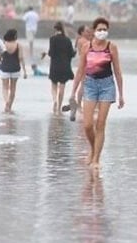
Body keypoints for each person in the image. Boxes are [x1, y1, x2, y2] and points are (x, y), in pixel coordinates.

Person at [72, 18, 125, 169]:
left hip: (107, 86)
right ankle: (93, 148)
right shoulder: (86, 47)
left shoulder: (112, 47)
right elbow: (80, 70)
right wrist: (73, 91)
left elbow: (118, 72)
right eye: (99, 29)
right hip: (90, 85)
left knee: (101, 124)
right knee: (88, 125)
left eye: (105, 29)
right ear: (94, 31)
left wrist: (121, 94)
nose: (102, 32)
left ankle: (96, 159)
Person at [45, 22, 76, 114]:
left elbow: (51, 53)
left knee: (54, 85)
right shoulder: (67, 40)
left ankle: (54, 100)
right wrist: (75, 51)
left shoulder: (52, 39)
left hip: (55, 65)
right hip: (65, 66)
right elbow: (71, 54)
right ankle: (59, 106)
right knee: (62, 86)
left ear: (55, 29)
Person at [0, 29, 28, 113]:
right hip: (15, 68)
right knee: (13, 88)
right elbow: (21, 58)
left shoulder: (3, 44)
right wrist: (25, 71)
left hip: (4, 68)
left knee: (5, 88)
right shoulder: (18, 45)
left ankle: (7, 103)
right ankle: (9, 106)